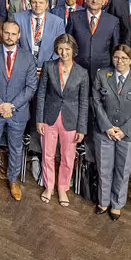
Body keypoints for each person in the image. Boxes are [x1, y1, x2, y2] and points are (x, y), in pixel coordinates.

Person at [0, 21, 40, 200]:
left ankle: (13, 180)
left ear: (19, 35)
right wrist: (0, 104)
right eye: (7, 33)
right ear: (2, 32)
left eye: (13, 34)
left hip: (17, 111)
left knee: (15, 146)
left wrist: (11, 106)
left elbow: (31, 87)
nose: (10, 37)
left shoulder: (28, 57)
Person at [92, 44, 131, 219]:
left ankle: (117, 203)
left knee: (123, 170)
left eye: (124, 58)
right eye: (116, 57)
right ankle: (103, 201)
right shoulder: (102, 75)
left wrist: (123, 130)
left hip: (129, 134)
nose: (120, 61)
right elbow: (96, 101)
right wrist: (108, 127)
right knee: (104, 169)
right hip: (104, 131)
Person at [35, 34, 89, 206]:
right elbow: (41, 94)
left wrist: (82, 128)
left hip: (71, 120)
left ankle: (62, 188)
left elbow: (84, 101)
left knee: (68, 157)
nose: (63, 52)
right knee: (48, 154)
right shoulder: (49, 66)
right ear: (56, 49)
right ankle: (49, 186)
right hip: (49, 118)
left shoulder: (82, 72)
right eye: (60, 49)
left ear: (73, 50)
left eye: (67, 49)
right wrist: (39, 119)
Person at [66, 0, 122, 74]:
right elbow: (68, 42)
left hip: (103, 69)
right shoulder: (74, 17)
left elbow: (115, 47)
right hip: (77, 67)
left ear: (103, 1)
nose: (94, 1)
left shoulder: (113, 21)